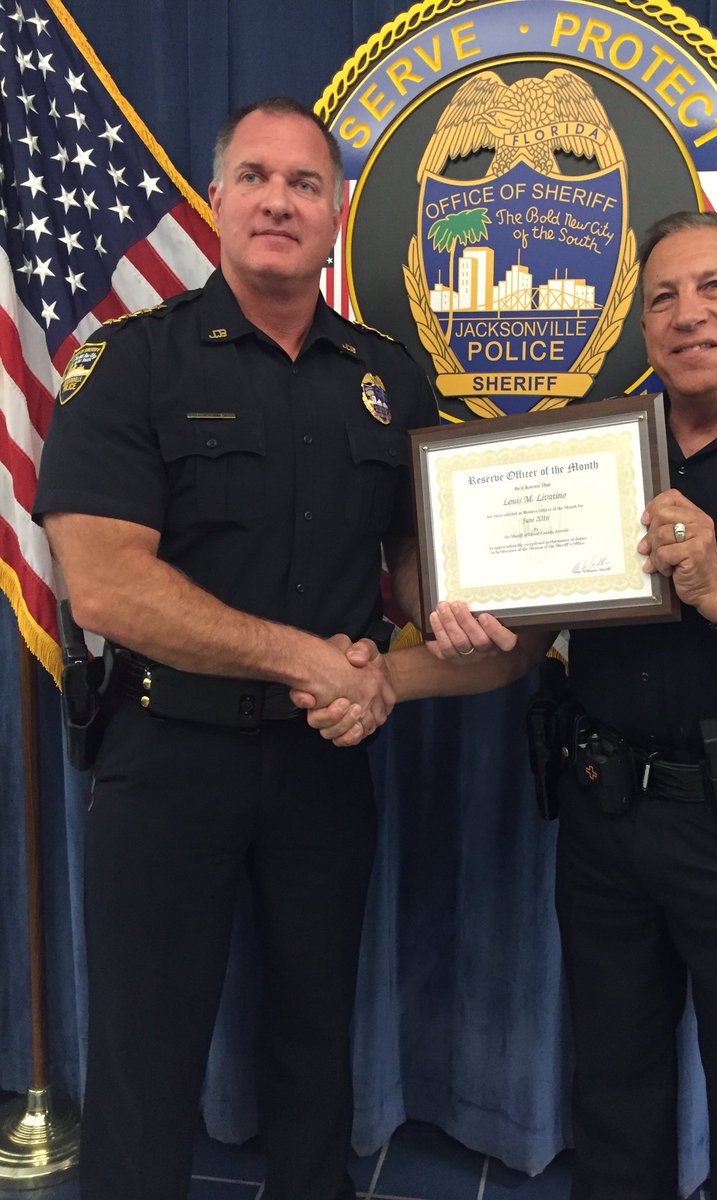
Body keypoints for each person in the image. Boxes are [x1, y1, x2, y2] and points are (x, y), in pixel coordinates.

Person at [307, 210, 717, 1200]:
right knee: (614, 1113)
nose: (688, 313)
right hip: (606, 825)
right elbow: (516, 649)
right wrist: (382, 678)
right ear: (642, 326)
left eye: (714, 288)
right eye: (663, 297)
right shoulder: (595, 455)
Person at [32, 97, 437, 1200]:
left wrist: (478, 613)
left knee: (317, 1044)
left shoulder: (388, 377)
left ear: (337, 212)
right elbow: (107, 584)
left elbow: (420, 570)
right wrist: (308, 659)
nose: (278, 201)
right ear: (217, 199)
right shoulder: (132, 363)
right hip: (169, 754)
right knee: (146, 1055)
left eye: (306, 184)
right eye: (255, 176)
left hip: (325, 760)